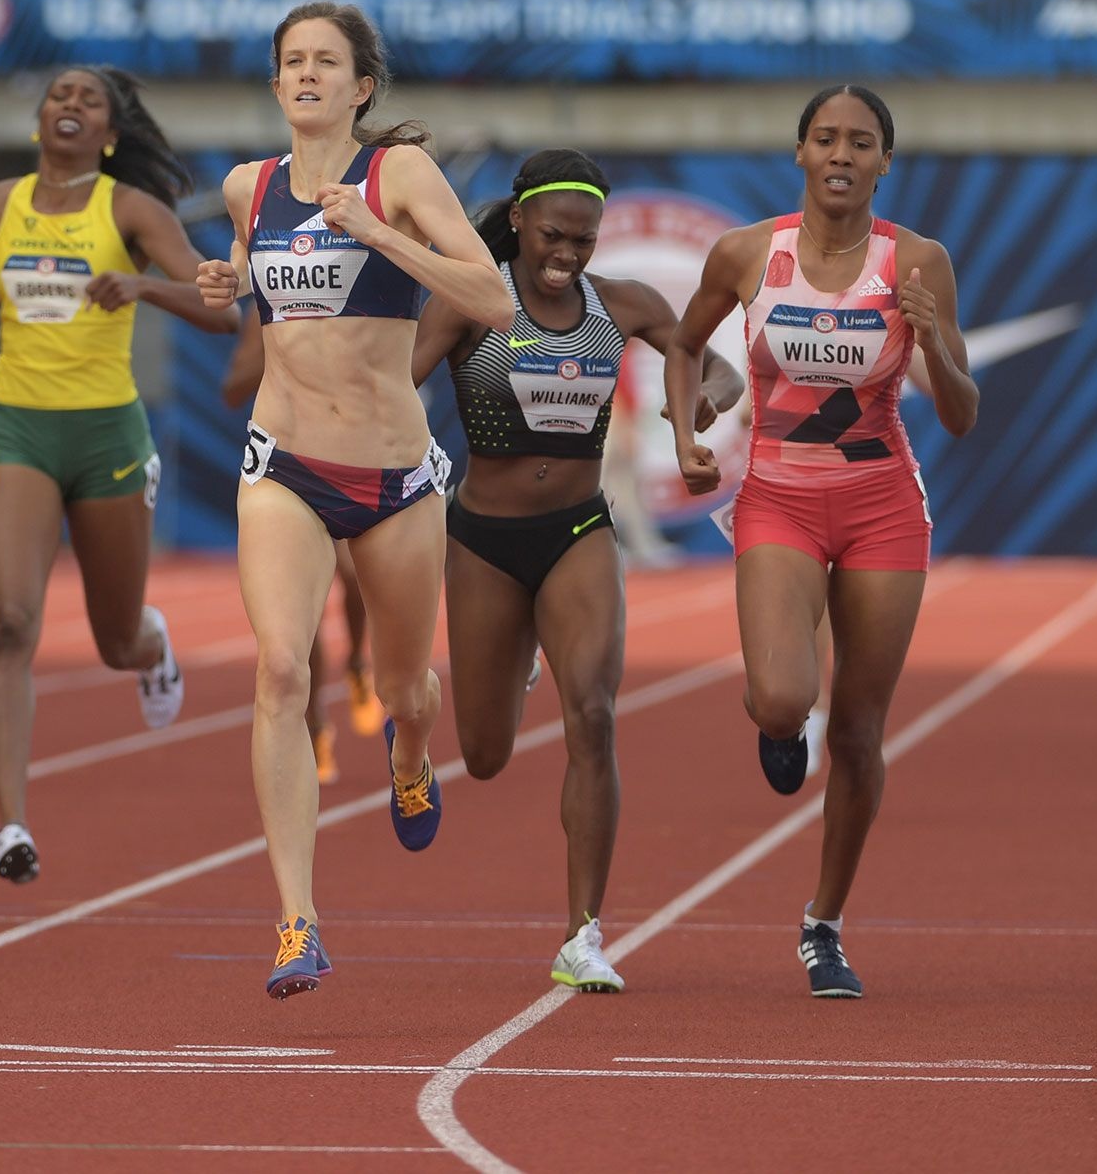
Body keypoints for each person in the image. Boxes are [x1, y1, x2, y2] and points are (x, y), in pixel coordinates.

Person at [196, 1, 514, 998]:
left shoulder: (400, 174)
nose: (305, 75)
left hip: (394, 476)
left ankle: (409, 750)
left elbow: (493, 301)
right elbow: (266, 292)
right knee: (282, 670)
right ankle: (298, 921)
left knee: (408, 686)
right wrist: (228, 280)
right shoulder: (248, 185)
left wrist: (376, 229)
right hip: (284, 461)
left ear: (361, 86)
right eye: (291, 60)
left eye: (325, 62)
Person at [665, 84, 978, 999]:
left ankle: (824, 924)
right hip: (779, 500)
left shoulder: (918, 262)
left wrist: (936, 346)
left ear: (886, 163)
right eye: (826, 139)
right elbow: (685, 347)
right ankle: (774, 718)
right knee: (782, 699)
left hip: (883, 505)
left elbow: (961, 414)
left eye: (862, 143)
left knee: (859, 732)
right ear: (799, 153)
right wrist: (685, 433)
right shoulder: (747, 253)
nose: (842, 155)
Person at [413, 148, 743, 994]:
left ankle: (582, 933)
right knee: (483, 757)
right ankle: (496, 661)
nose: (567, 255)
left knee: (593, 715)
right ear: (517, 221)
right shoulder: (470, 301)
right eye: (554, 235)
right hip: (484, 541)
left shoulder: (622, 305)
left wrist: (702, 398)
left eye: (585, 242)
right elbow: (391, 386)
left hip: (578, 531)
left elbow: (715, 364)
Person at [0, 65, 238, 884]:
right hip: (19, 429)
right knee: (12, 621)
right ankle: (11, 827)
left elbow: (220, 307)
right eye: (60, 95)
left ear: (110, 136)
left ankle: (153, 644)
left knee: (113, 639)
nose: (72, 106)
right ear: (40, 120)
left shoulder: (130, 210)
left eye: (91, 101)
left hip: (108, 437)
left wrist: (145, 287)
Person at [218, 307, 379, 787]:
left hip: (353, 461)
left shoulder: (361, 291)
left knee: (356, 582)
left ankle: (356, 662)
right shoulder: (268, 305)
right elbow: (231, 389)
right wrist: (283, 349)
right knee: (297, 624)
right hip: (288, 471)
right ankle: (316, 726)